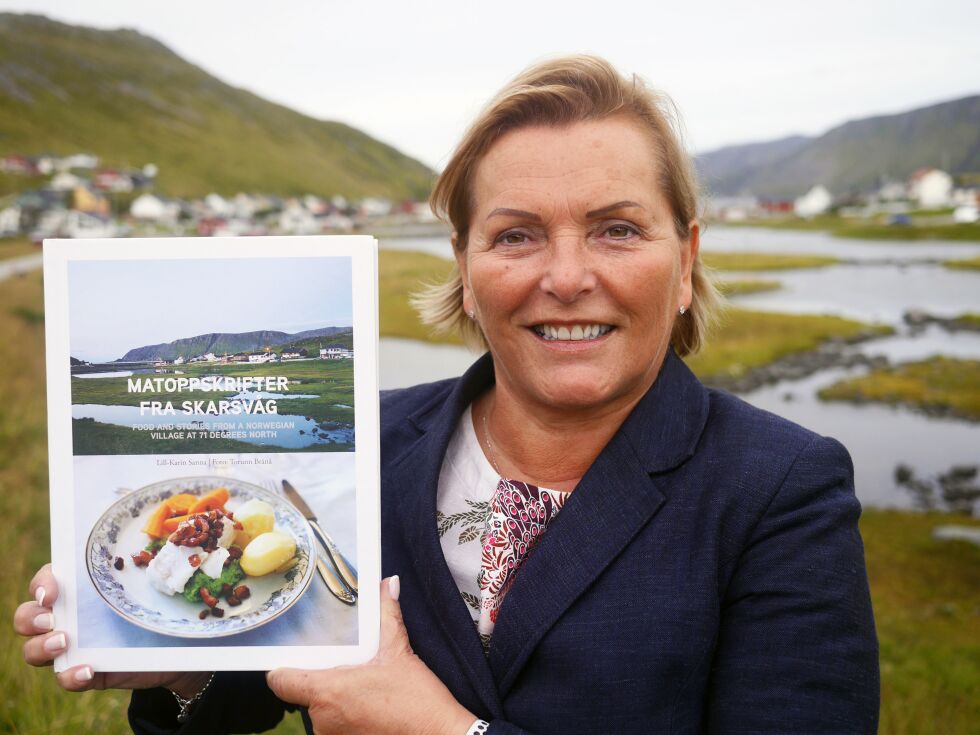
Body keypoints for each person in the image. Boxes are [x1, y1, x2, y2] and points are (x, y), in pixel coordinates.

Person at [16, 55, 879, 734]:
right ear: (465, 272)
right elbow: (277, 671)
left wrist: (436, 729)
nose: (568, 276)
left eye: (618, 229)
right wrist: (180, 662)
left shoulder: (781, 490)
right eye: (516, 235)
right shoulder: (374, 445)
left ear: (685, 261)